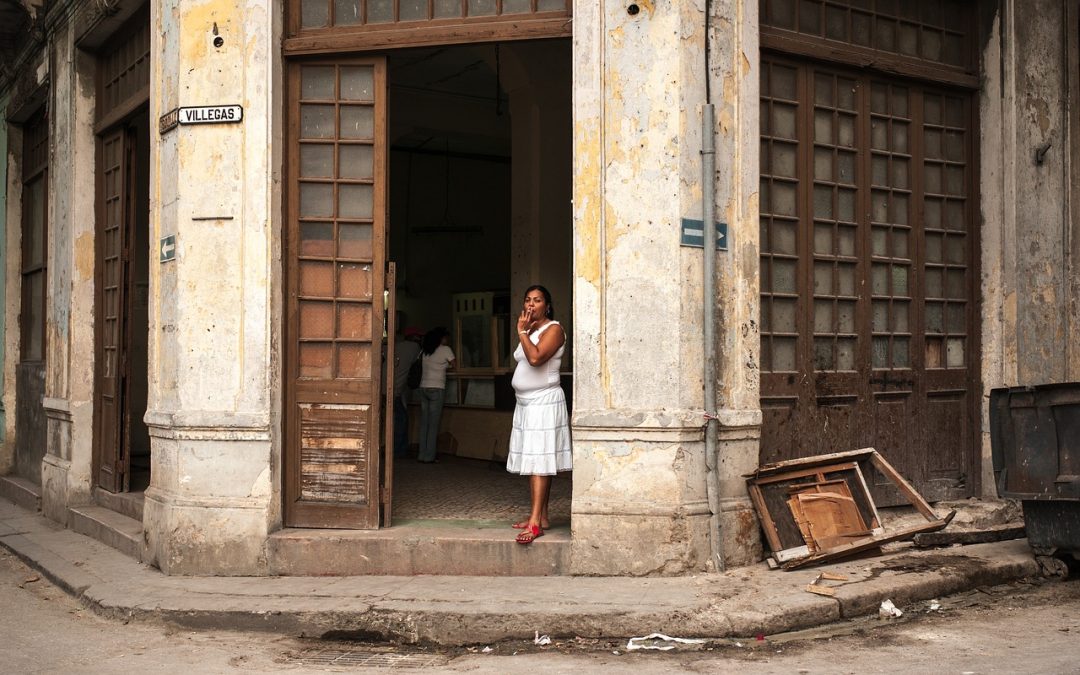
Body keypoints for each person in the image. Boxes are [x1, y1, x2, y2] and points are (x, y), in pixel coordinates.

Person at [506, 285, 571, 544]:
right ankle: (541, 516)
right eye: (528, 300)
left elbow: (535, 359)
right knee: (537, 459)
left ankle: (535, 524)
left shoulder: (554, 329)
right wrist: (525, 331)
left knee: (539, 460)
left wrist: (522, 332)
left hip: (544, 402)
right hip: (526, 403)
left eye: (538, 300)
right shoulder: (531, 329)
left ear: (547, 305)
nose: (531, 304)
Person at [417, 326, 455, 463]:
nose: (447, 339)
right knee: (433, 425)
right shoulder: (446, 350)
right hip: (437, 388)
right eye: (446, 337)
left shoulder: (425, 351)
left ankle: (421, 455)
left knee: (424, 424)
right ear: (441, 338)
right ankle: (429, 457)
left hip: (423, 387)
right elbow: (455, 365)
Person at [391, 325, 424, 458]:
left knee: (395, 419)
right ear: (414, 337)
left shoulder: (397, 346)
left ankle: (397, 449)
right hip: (397, 390)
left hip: (388, 389)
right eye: (419, 336)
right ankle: (398, 451)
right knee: (401, 420)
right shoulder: (414, 348)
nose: (421, 339)